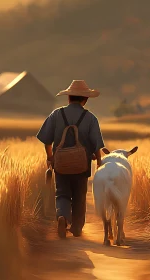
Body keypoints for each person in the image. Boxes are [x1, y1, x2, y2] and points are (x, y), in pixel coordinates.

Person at [36, 80, 105, 238]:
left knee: (62, 193)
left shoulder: (56, 114)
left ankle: (62, 217)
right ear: (85, 99)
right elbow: (96, 146)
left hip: (61, 164)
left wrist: (50, 157)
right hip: (82, 165)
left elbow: (47, 141)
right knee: (80, 195)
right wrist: (99, 161)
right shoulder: (91, 118)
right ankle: (77, 228)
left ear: (68, 98)